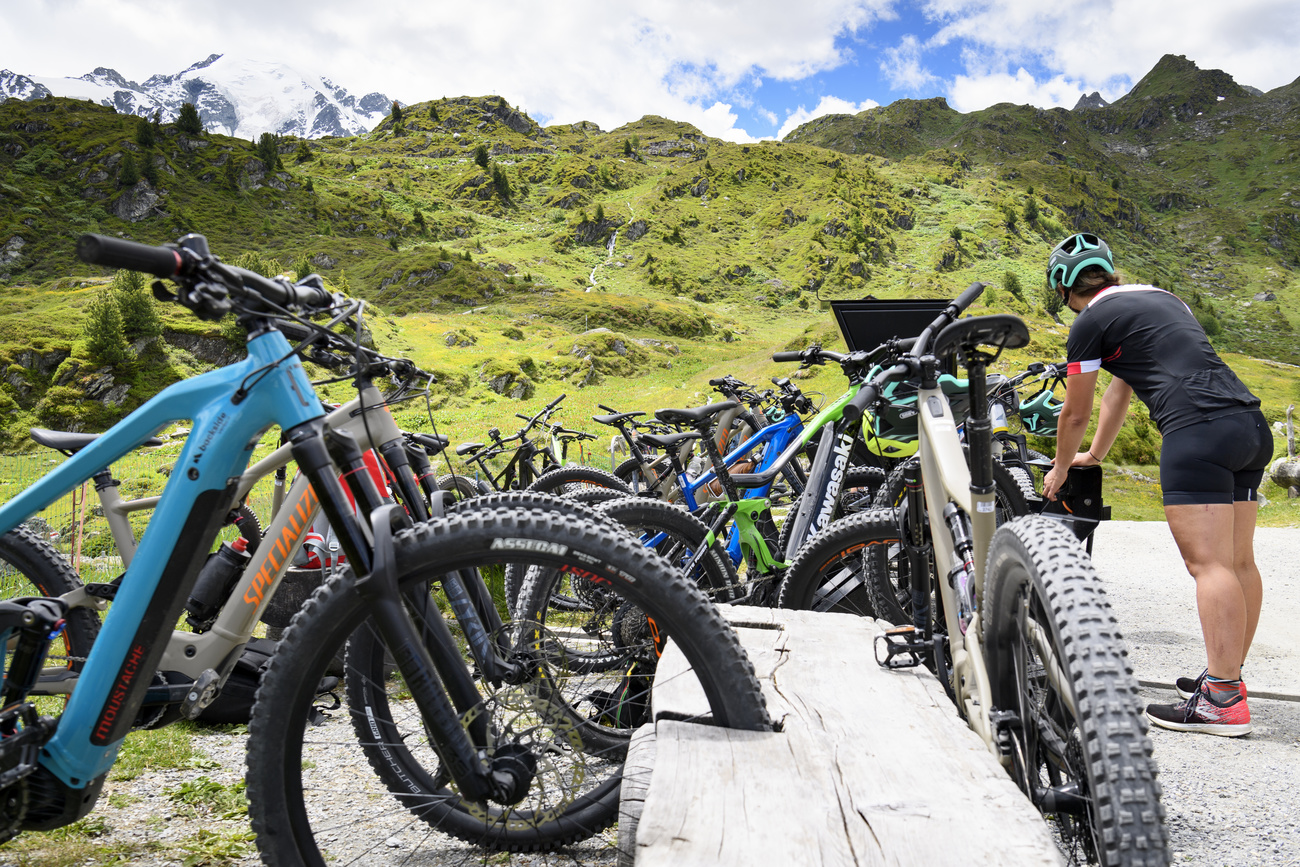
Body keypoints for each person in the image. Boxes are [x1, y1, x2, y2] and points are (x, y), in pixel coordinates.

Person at [1041, 232, 1274, 738]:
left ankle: (1222, 701)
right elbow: (1119, 392)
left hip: (1197, 432)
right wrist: (1096, 455)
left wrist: (1061, 468)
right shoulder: (1163, 300)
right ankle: (1225, 677)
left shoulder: (1089, 321)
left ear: (1062, 286)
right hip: (1249, 425)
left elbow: (1076, 409)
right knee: (1238, 563)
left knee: (1208, 565)